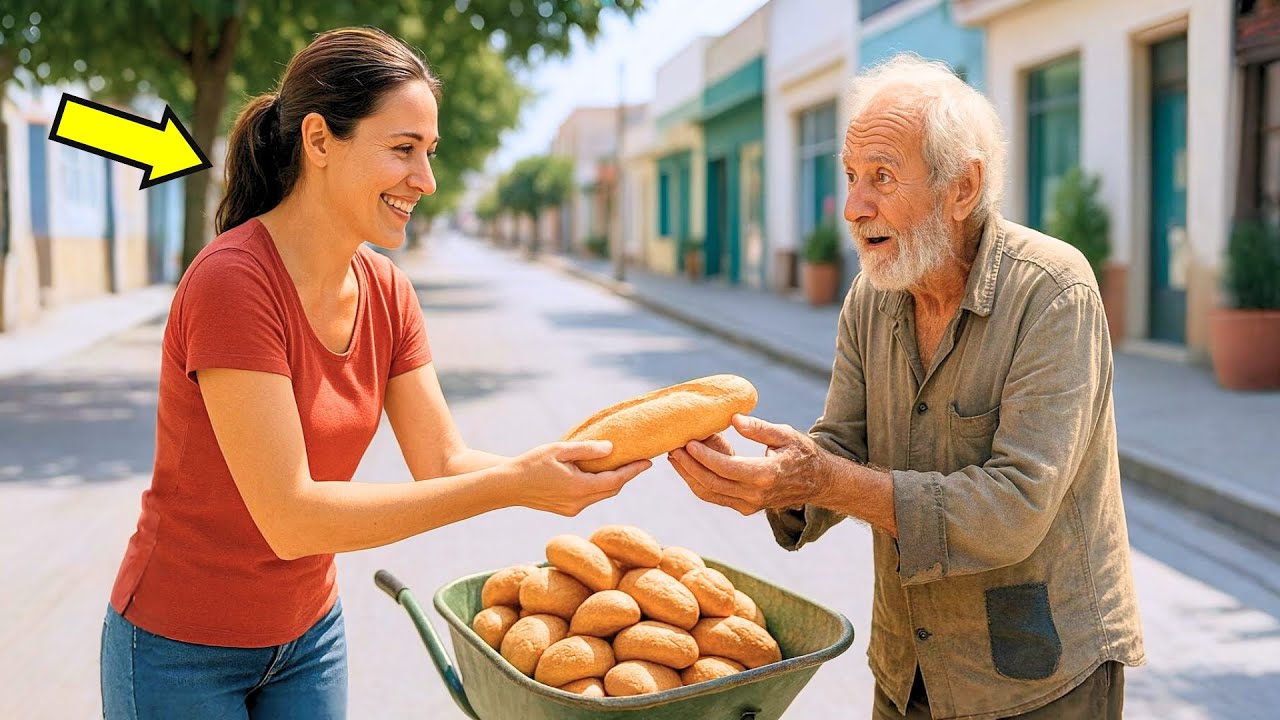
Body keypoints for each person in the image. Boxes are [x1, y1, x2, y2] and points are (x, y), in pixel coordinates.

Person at [100, 27, 650, 719]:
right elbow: (292, 519)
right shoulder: (233, 283)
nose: (426, 180)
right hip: (179, 649)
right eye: (403, 149)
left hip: (306, 639)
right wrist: (514, 488)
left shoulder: (387, 292)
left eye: (429, 152)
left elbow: (442, 458)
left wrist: (568, 465)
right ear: (320, 141)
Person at [668, 54, 1144, 719]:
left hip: (1038, 677)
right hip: (907, 669)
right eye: (851, 177)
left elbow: (1014, 507)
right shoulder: (873, 294)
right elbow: (843, 441)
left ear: (963, 188)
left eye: (882, 178)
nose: (854, 207)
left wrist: (822, 480)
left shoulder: (1052, 293)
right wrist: (775, 478)